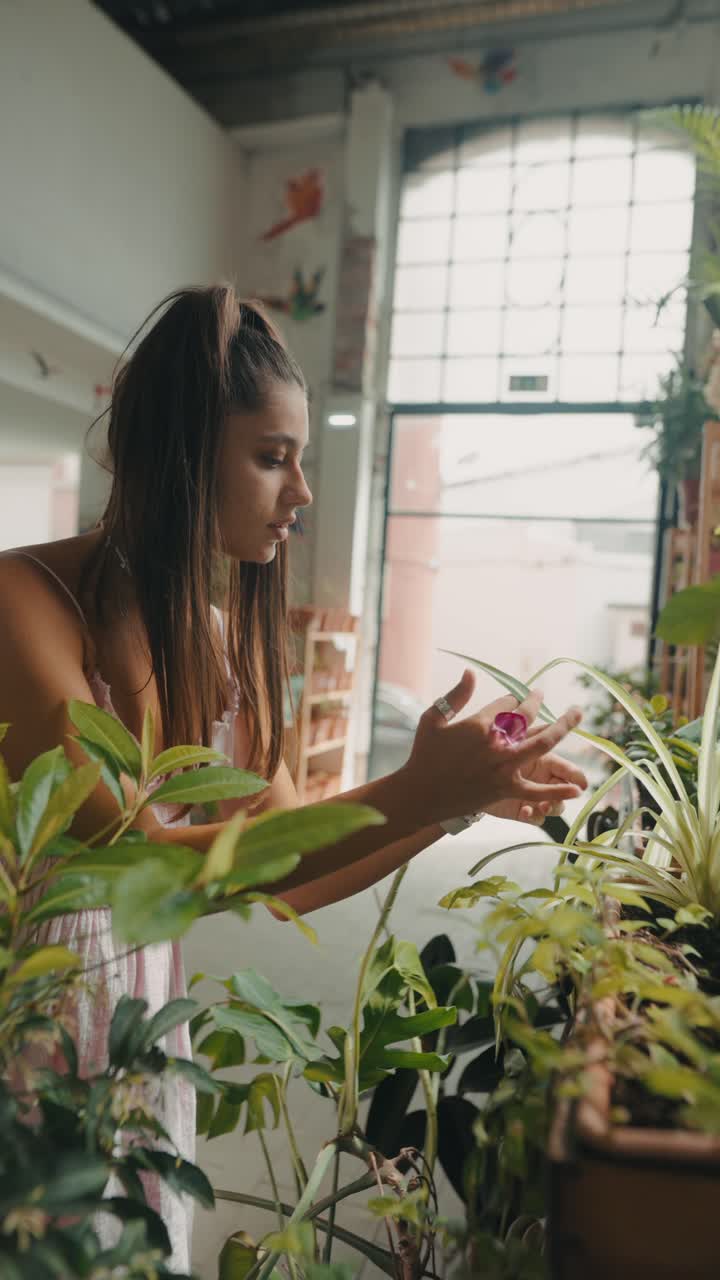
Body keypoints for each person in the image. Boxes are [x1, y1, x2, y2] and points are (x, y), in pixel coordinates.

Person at [0, 285, 586, 1267]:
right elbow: (132, 862)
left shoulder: (214, 644)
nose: (302, 492)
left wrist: (448, 805)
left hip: (140, 1041)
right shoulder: (21, 596)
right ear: (182, 455)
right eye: (273, 457)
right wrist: (413, 791)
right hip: (28, 1034)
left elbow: (290, 875)